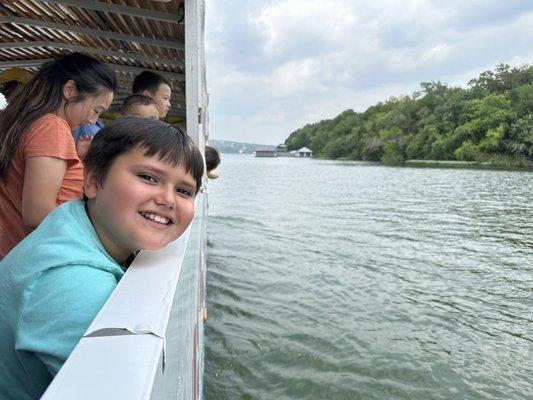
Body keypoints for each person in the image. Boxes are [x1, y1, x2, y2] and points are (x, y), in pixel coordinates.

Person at [0, 118, 204, 399]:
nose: (168, 199)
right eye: (148, 177)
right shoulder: (73, 282)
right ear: (93, 180)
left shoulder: (75, 220)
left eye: (184, 191)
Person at [0, 52, 117, 259]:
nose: (93, 121)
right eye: (96, 110)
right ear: (70, 90)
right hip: (28, 259)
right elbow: (36, 213)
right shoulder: (52, 127)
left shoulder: (35, 121)